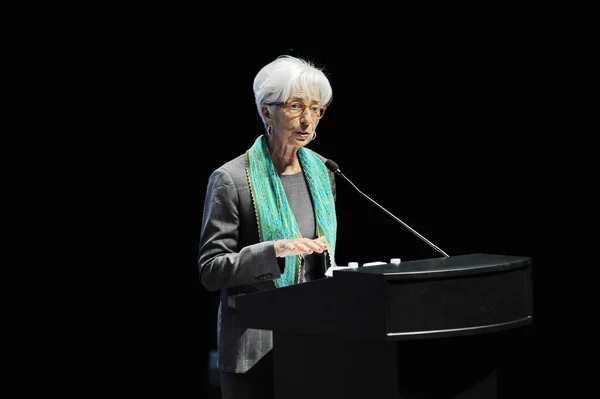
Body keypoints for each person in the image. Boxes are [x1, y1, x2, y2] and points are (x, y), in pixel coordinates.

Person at [197, 54, 338, 399]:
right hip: (255, 350)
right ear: (266, 111)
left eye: (316, 109)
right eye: (295, 107)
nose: (308, 120)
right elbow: (211, 270)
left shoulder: (324, 172)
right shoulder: (231, 179)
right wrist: (271, 251)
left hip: (315, 343)